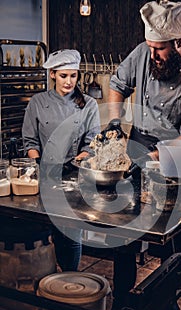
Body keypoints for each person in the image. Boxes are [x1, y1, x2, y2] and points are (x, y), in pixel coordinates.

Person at [107, 1, 181, 310]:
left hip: (175, 159)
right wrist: (114, 123)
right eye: (150, 47)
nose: (151, 55)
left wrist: (151, 156)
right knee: (123, 230)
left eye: (159, 50)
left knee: (172, 242)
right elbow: (117, 83)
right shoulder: (141, 53)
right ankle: (124, 303)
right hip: (139, 143)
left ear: (179, 43)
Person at [22, 49, 101, 272]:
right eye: (63, 76)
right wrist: (39, 166)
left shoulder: (88, 104)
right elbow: (30, 140)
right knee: (43, 233)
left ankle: (69, 279)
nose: (69, 81)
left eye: (73, 76)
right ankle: (43, 277)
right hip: (44, 176)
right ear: (53, 75)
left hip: (74, 177)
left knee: (70, 233)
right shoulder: (37, 102)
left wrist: (75, 163)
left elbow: (92, 142)